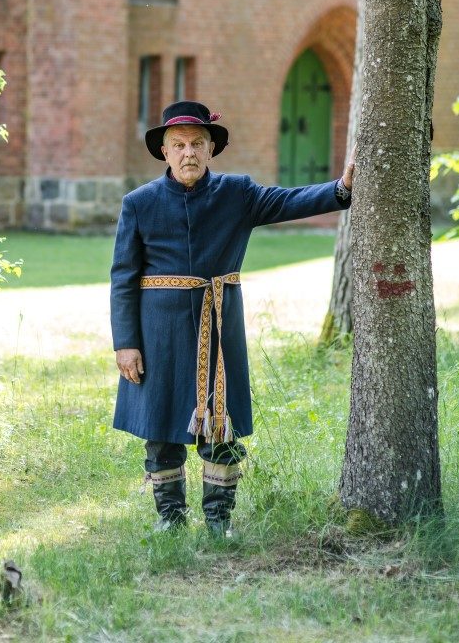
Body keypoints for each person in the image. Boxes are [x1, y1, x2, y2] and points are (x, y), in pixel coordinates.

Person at [110, 100, 354, 536]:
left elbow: (288, 201)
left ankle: (219, 520)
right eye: (179, 144)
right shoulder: (138, 204)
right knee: (162, 424)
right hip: (158, 334)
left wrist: (339, 189)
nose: (188, 152)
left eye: (197, 144)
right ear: (164, 152)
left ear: (211, 150)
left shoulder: (237, 194)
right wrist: (125, 342)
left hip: (218, 325)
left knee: (219, 423)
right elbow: (123, 277)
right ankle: (170, 519)